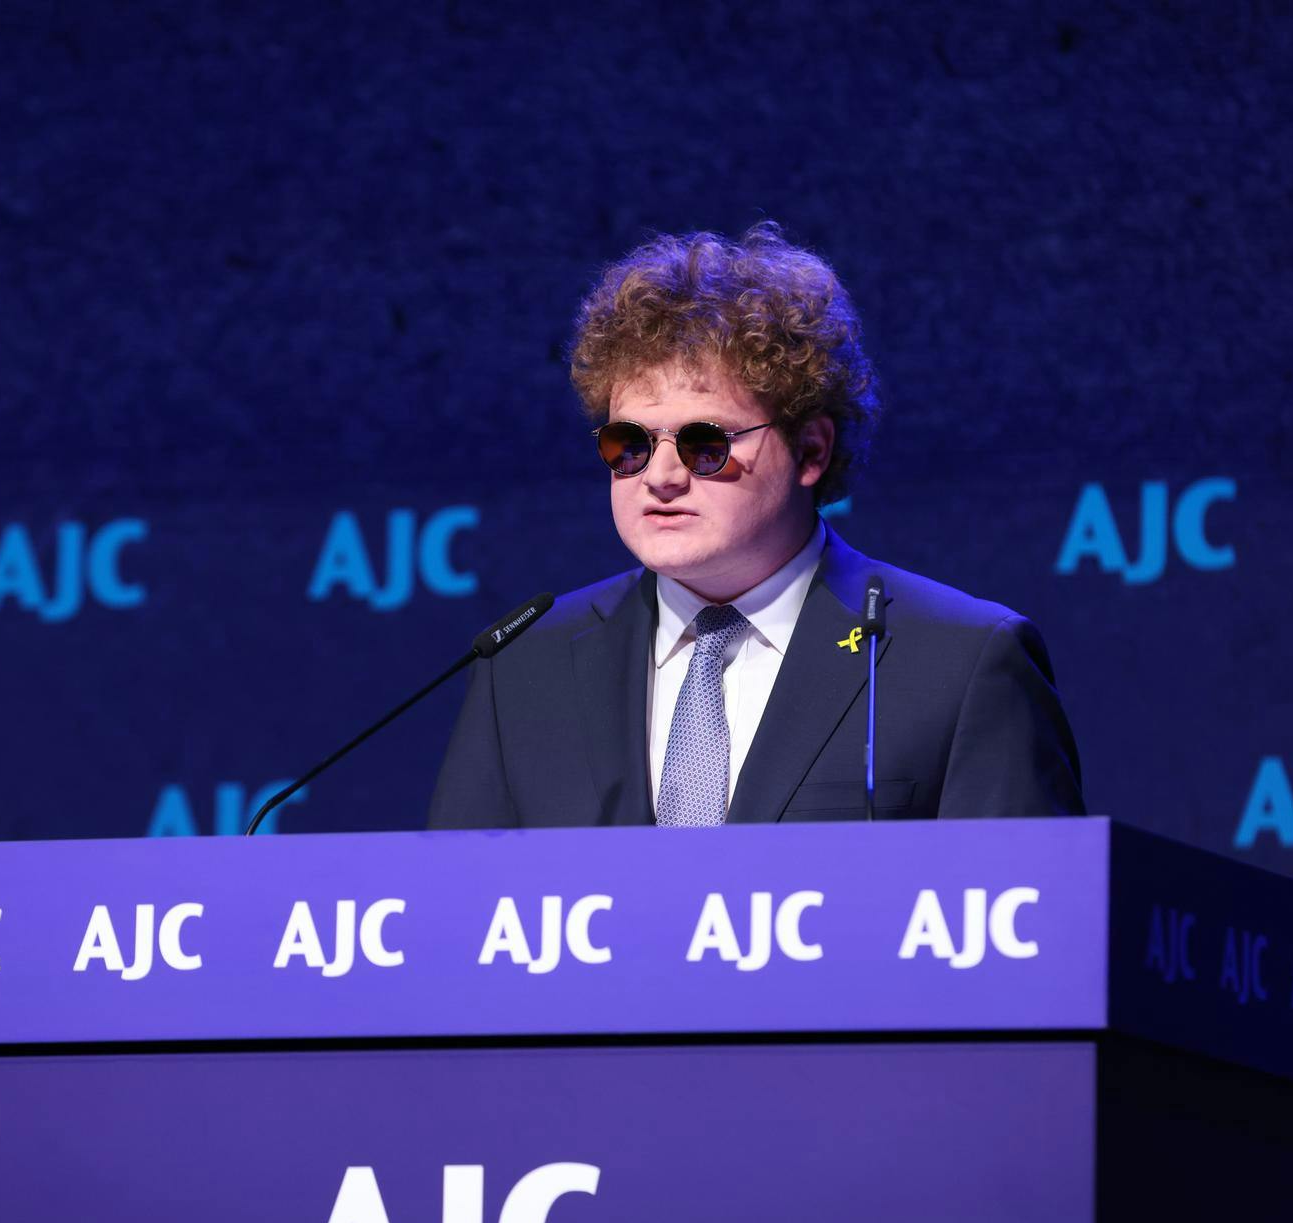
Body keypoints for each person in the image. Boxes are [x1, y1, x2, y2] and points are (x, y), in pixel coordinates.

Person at [428, 222, 1084, 829]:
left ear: (811, 452)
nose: (659, 476)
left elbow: (1024, 927)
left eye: (704, 444)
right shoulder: (522, 669)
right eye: (628, 442)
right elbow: (453, 919)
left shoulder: (960, 662)